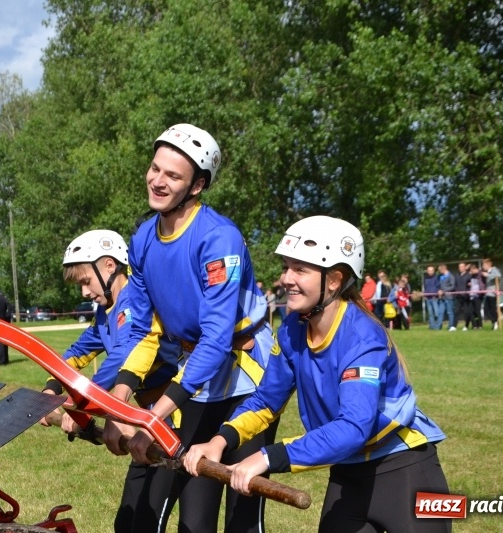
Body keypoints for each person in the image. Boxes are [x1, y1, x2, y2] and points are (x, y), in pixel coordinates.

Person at [182, 216, 451, 533]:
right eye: (286, 267)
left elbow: (354, 426)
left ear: (334, 280)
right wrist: (219, 441)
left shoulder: (362, 337)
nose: (286, 279)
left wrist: (268, 457)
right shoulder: (292, 330)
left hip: (407, 470)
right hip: (347, 474)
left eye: (300, 269)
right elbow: (266, 401)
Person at [103, 123, 277, 533]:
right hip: (197, 378)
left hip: (245, 377)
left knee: (242, 519)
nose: (157, 181)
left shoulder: (219, 238)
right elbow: (142, 331)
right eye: (155, 168)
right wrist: (119, 402)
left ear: (197, 185)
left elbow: (216, 339)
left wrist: (153, 418)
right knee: (195, 520)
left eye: (173, 175)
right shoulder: (142, 239)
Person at [41, 229, 182, 533]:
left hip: (174, 419)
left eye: (85, 281)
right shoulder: (106, 313)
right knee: (125, 523)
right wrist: (51, 388)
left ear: (109, 265)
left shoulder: (135, 300)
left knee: (146, 524)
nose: (84, 292)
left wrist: (78, 403)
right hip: (145, 422)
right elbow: (77, 353)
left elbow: (122, 355)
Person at [481, 258, 502, 330]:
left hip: (493, 293)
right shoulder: (488, 271)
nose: (483, 266)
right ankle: (494, 321)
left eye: (484, 265)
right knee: (486, 310)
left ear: (488, 264)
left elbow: (498, 275)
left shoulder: (494, 269)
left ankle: (495, 322)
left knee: (493, 310)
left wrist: (487, 275)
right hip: (488, 293)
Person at [437, 264, 457, 331]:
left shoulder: (451, 276)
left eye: (440, 270)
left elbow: (452, 286)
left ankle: (450, 326)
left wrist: (444, 291)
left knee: (450, 312)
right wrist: (439, 290)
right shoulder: (441, 276)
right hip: (442, 297)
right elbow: (440, 286)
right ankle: (438, 327)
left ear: (443, 269)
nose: (439, 271)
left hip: (449, 297)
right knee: (440, 312)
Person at [454, 262, 472, 331]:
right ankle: (454, 326)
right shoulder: (457, 275)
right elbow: (455, 285)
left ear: (465, 267)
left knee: (466, 312)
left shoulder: (468, 275)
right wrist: (456, 292)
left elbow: (471, 285)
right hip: (458, 296)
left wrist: (467, 291)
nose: (460, 268)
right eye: (459, 267)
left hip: (466, 296)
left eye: (462, 266)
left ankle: (466, 326)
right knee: (456, 311)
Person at [467, 264, 485, 329]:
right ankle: (474, 325)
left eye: (471, 270)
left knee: (477, 311)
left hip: (478, 295)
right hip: (472, 295)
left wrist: (477, 270)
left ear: (475, 269)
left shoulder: (480, 274)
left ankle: (480, 325)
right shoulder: (471, 276)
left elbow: (481, 272)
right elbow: (467, 276)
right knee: (471, 311)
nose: (471, 272)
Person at [423, 265, 440, 329]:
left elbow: (438, 286)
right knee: (430, 314)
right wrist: (425, 295)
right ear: (427, 271)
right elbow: (425, 287)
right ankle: (432, 326)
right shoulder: (425, 278)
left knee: (436, 313)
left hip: (434, 298)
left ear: (434, 271)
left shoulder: (436, 277)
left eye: (432, 270)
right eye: (429, 270)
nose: (430, 272)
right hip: (428, 298)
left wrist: (436, 295)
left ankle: (438, 326)